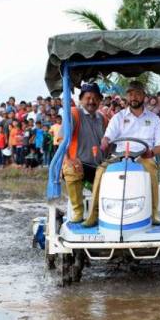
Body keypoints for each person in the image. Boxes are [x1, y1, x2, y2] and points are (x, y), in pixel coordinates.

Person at [83, 81, 160, 227]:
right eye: (130, 94)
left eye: (137, 94)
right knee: (101, 170)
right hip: (120, 155)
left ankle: (153, 213)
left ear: (144, 97)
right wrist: (104, 143)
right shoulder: (118, 117)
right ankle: (93, 215)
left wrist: (151, 152)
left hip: (143, 156)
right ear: (127, 97)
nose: (133, 97)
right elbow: (108, 137)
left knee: (152, 169)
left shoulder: (153, 119)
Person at [62, 83, 106, 223]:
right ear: (81, 99)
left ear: (100, 100)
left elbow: (112, 143)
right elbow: (62, 139)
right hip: (79, 163)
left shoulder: (103, 119)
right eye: (88, 98)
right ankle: (78, 211)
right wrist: (68, 159)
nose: (91, 101)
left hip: (99, 166)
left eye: (95, 98)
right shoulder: (74, 114)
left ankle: (98, 215)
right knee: (70, 168)